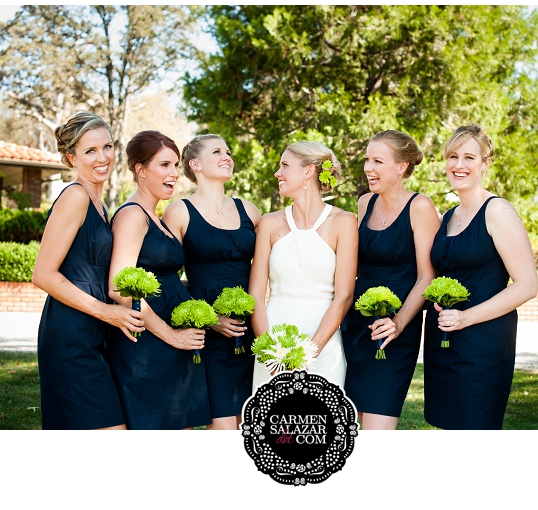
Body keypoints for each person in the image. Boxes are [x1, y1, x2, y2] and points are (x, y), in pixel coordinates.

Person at [32, 112, 144, 430]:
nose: (102, 157)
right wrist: (106, 313)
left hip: (93, 330)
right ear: (71, 157)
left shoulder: (99, 201)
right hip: (71, 332)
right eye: (90, 151)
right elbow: (43, 273)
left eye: (107, 147)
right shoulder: (76, 196)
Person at [424, 123, 538, 430]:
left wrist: (466, 318)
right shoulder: (447, 216)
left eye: (469, 158)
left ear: (485, 164)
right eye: (452, 156)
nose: (458, 165)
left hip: (482, 343)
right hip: (443, 340)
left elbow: (527, 285)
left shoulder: (497, 210)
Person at [107, 130, 211, 430]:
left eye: (176, 165)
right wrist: (171, 335)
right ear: (140, 170)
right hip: (149, 345)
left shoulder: (155, 215)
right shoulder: (132, 215)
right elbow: (118, 288)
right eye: (164, 165)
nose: (174, 173)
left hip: (171, 343)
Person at [341, 130, 440, 430]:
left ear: (401, 167)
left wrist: (398, 323)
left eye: (378, 161)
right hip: (355, 325)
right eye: (367, 160)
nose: (368, 167)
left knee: (378, 425)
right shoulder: (364, 204)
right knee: (348, 427)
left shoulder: (420, 207)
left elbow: (427, 276)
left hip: (395, 329)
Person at [162, 134, 262, 431]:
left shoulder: (249, 209)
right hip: (207, 335)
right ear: (195, 164)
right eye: (217, 151)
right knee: (221, 423)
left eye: (228, 151)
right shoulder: (178, 211)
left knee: (252, 423)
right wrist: (209, 318)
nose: (227, 156)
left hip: (251, 329)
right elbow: (167, 275)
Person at [249, 141, 358, 391]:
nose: (278, 173)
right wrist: (268, 349)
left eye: (285, 165)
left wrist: (310, 352)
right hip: (272, 340)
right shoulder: (268, 223)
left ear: (309, 171)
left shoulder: (344, 222)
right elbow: (256, 293)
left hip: (323, 342)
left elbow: (344, 296)